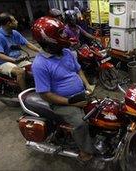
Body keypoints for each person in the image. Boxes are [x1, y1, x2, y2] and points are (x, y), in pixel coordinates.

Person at [31, 17, 95, 163]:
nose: (65, 35)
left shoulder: (66, 52)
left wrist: (88, 86)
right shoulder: (40, 64)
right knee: (80, 123)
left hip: (80, 95)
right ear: (48, 40)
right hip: (62, 102)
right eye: (60, 33)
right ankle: (85, 152)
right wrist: (72, 102)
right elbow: (45, 94)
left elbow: (78, 71)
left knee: (100, 112)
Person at [0, 13, 41, 90]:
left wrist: (41, 51)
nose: (17, 22)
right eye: (14, 20)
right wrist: (15, 60)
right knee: (20, 72)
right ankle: (24, 94)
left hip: (17, 60)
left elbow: (27, 44)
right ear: (8, 23)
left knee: (36, 67)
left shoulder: (15, 33)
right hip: (1, 63)